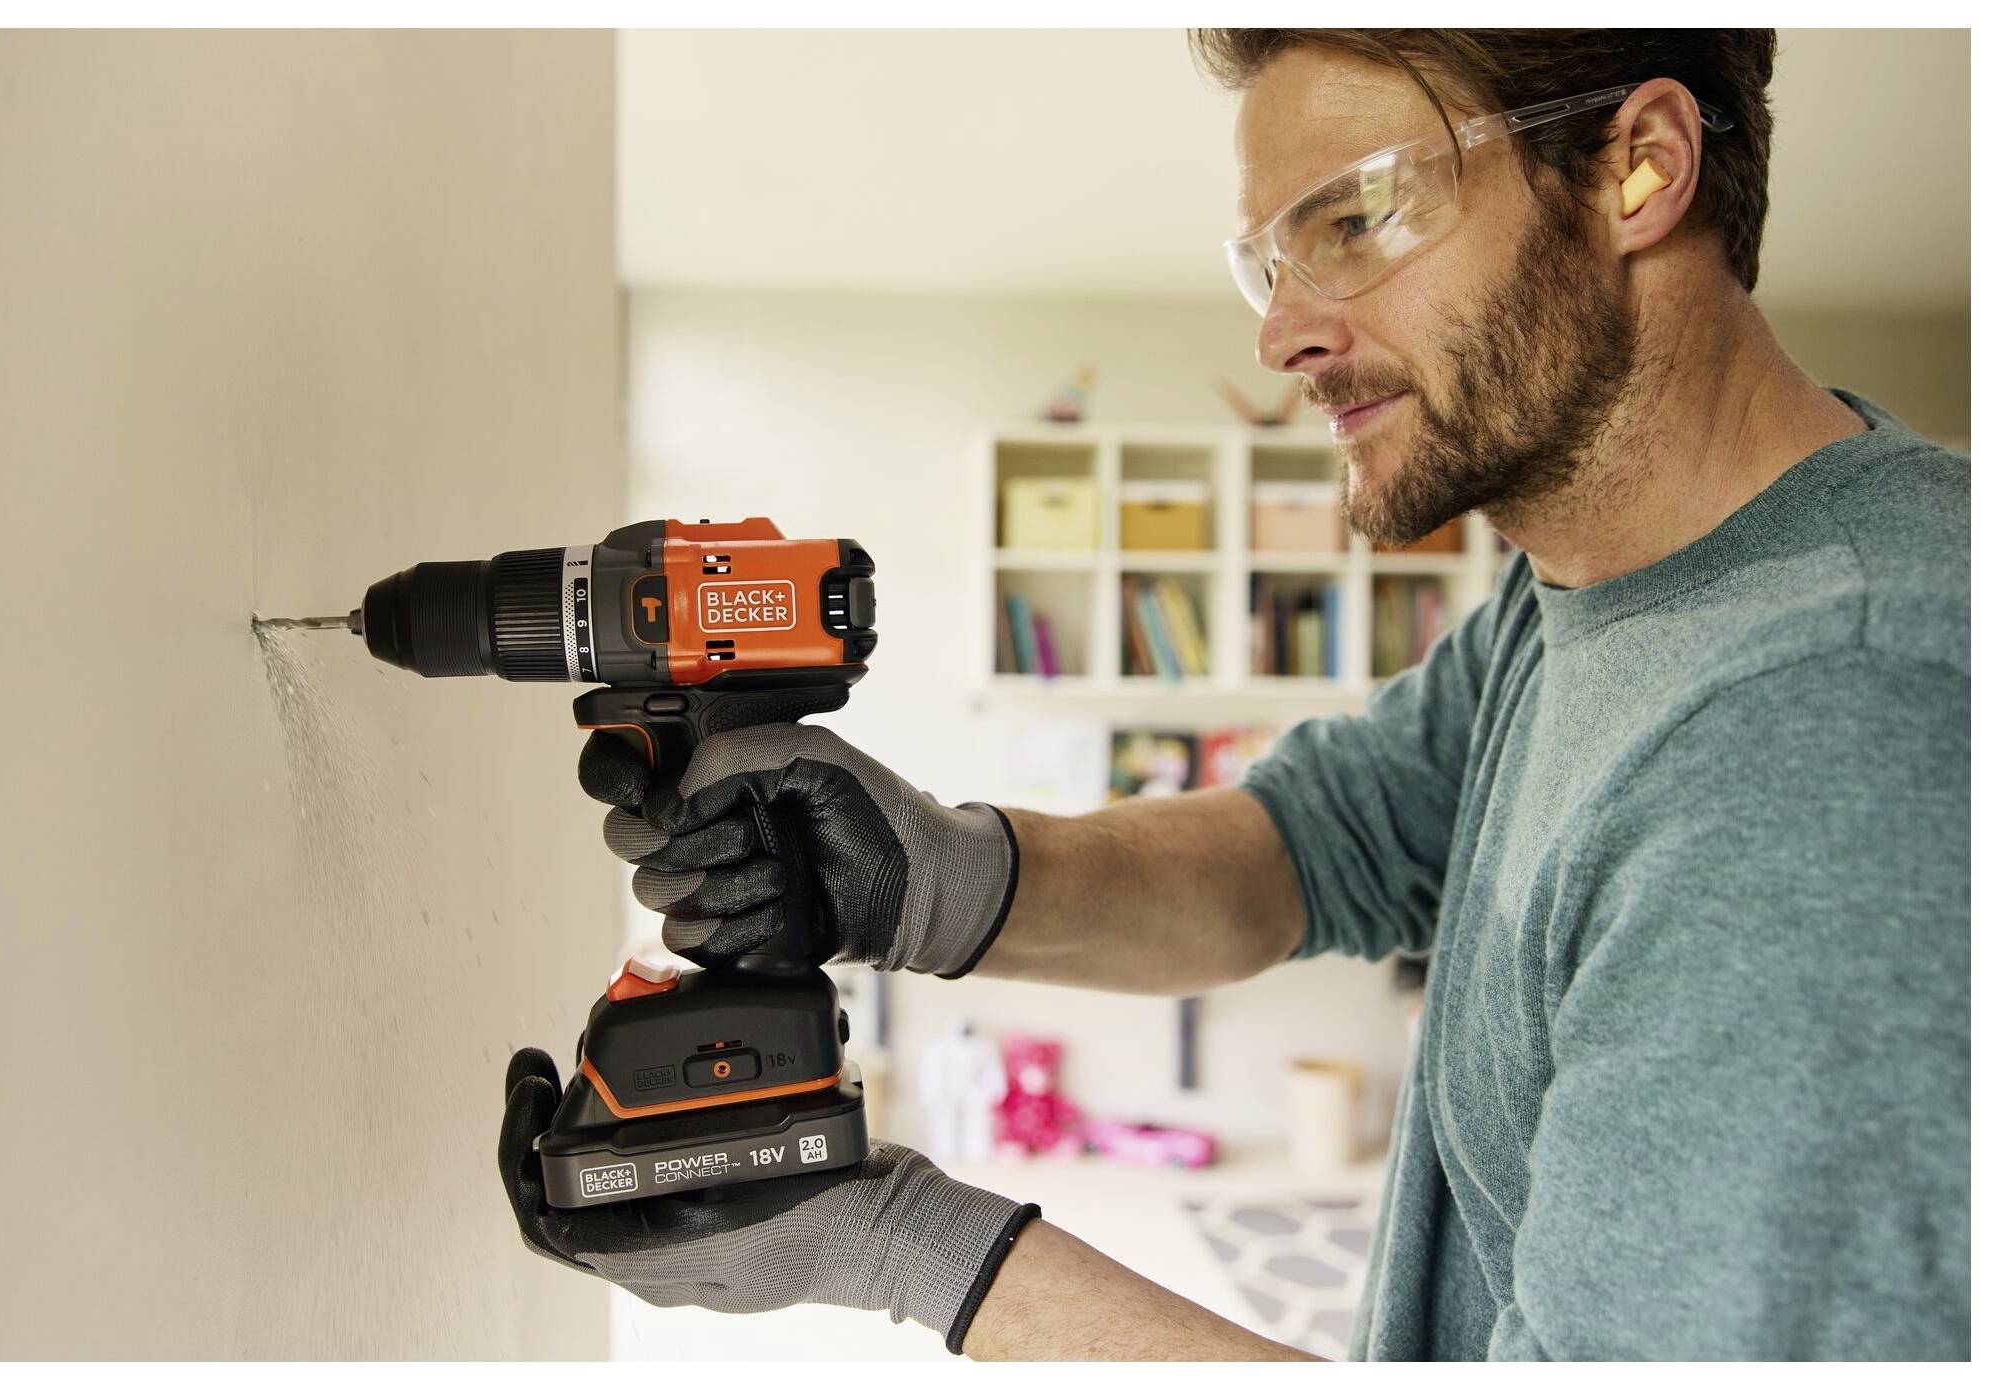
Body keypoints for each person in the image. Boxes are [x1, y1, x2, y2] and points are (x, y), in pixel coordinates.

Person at [496, 28, 1969, 1360]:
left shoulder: (1825, 733)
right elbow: (1319, 840)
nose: (1282, 335)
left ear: (1639, 165)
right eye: (1271, 259)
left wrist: (902, 1245)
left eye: (1356, 219)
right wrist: (933, 876)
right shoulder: (1594, 573)